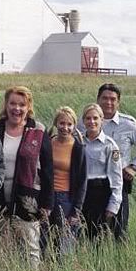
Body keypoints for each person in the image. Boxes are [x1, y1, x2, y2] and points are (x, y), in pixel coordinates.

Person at [0, 86, 53, 269]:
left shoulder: (39, 131)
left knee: (31, 249)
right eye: (12, 103)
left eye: (22, 104)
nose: (16, 108)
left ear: (29, 107)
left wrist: (47, 203)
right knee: (1, 250)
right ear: (6, 104)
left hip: (29, 200)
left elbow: (48, 170)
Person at [96, 83, 136, 240]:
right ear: (98, 99)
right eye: (105, 98)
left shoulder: (128, 124)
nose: (108, 102)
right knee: (92, 230)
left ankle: (120, 258)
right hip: (93, 182)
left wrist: (134, 167)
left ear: (118, 102)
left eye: (113, 99)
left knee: (119, 231)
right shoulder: (87, 120)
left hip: (119, 182)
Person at [47, 107, 86, 258]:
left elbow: (82, 181)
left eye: (69, 124)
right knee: (45, 240)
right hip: (48, 197)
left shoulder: (78, 147)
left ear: (74, 126)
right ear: (56, 123)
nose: (65, 127)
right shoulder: (49, 142)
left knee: (63, 245)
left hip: (67, 200)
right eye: (62, 123)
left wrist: (76, 210)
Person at [81, 103, 123, 240]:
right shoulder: (78, 142)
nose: (91, 122)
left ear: (102, 120)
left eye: (95, 118)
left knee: (96, 238)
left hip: (99, 195)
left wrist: (113, 205)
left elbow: (116, 179)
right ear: (83, 121)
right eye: (88, 118)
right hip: (80, 192)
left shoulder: (110, 145)